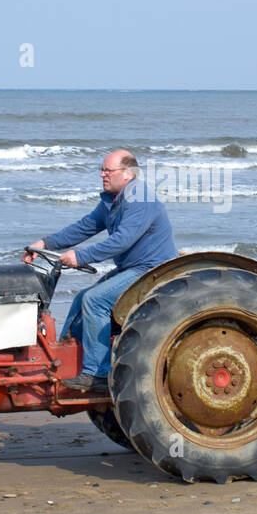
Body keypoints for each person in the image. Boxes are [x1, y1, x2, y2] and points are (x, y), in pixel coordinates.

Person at [25, 149, 178, 392]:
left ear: (127, 173)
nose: (102, 175)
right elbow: (85, 227)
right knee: (80, 299)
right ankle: (63, 361)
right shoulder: (113, 200)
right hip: (133, 267)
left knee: (96, 301)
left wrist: (81, 255)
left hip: (151, 270)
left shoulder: (141, 198)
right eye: (102, 170)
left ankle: (97, 374)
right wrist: (44, 244)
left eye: (108, 170)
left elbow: (121, 241)